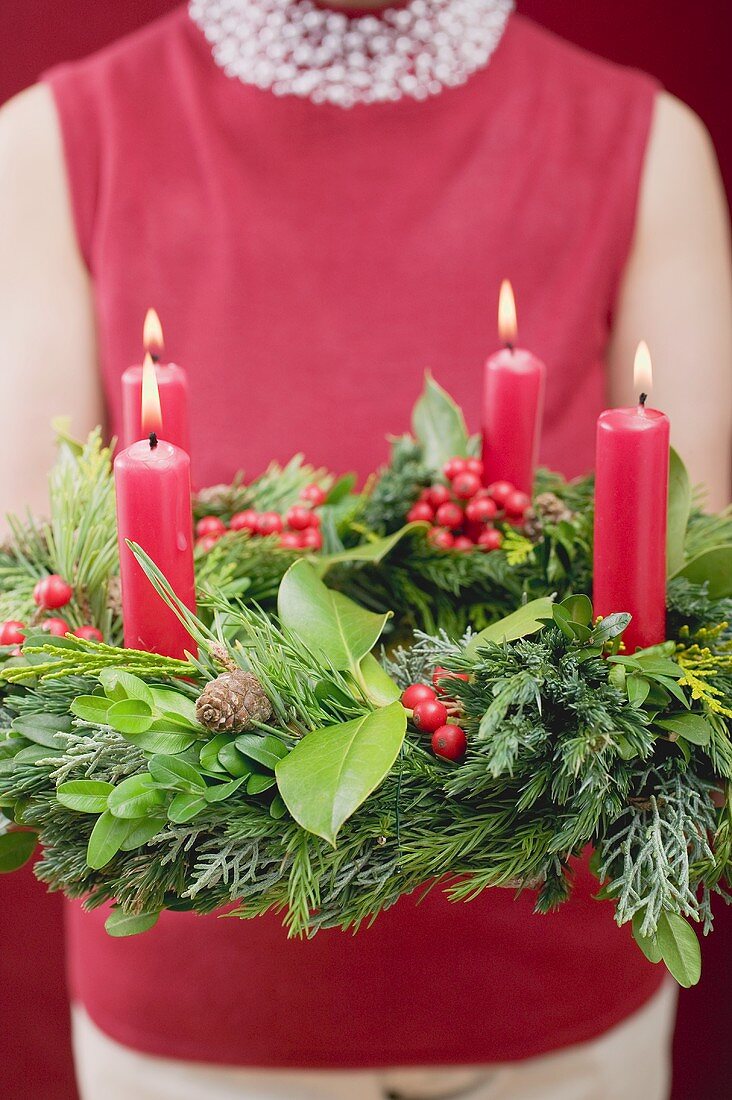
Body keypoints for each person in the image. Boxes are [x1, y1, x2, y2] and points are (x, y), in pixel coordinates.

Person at [1, 2, 730, 1097]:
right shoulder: (55, 141)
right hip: (206, 992)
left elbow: (686, 576)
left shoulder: (643, 138)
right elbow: (40, 588)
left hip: (553, 986)